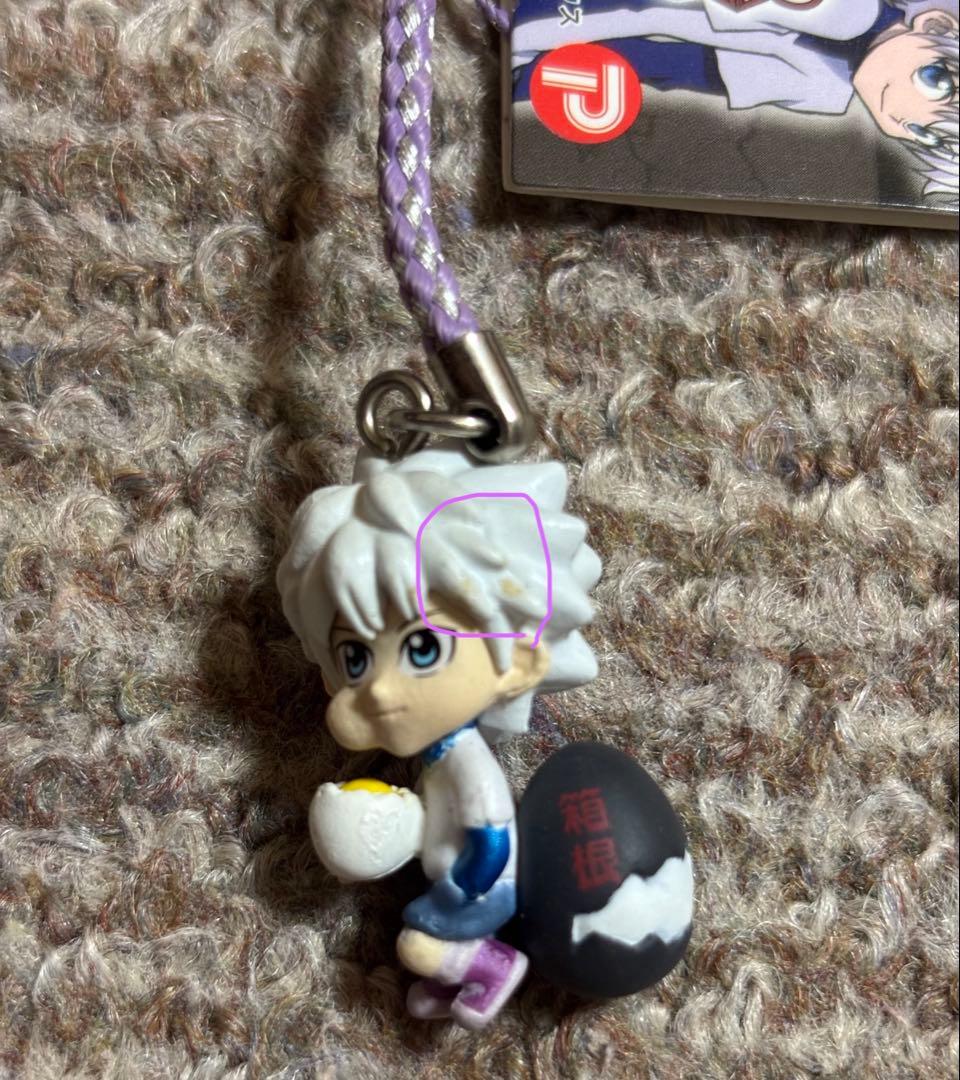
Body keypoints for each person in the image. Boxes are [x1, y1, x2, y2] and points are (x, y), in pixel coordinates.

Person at [276, 445, 601, 1028]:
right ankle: (452, 980)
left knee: (418, 944)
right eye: (355, 660)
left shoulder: (468, 763)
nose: (378, 689)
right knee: (422, 944)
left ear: (518, 662)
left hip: (484, 883)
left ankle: (494, 968)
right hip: (460, 875)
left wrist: (454, 896)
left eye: (422, 647)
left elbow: (492, 838)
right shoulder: (441, 757)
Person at [512, 0, 959, 206]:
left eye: (923, 134)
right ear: (936, 23)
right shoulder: (852, 11)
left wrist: (538, 76)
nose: (899, 114)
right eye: (935, 80)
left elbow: (679, 66)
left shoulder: (825, 91)